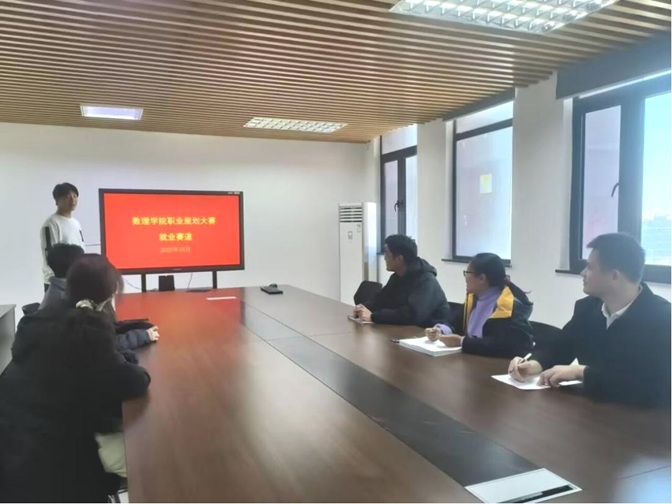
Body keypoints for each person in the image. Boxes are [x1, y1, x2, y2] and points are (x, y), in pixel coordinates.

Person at [0, 254, 151, 501]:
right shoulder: (85, 335)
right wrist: (127, 354)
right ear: (105, 298)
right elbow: (135, 381)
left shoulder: (40, 319)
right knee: (153, 456)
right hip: (55, 463)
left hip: (12, 452)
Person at [508, 233, 671, 408]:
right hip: (591, 411)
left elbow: (653, 385)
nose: (582, 273)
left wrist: (582, 372)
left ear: (614, 276)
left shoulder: (662, 318)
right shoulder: (586, 308)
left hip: (643, 418)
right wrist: (534, 364)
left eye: (590, 267)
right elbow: (561, 347)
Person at [40, 245, 160, 351]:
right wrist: (141, 336)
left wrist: (135, 326)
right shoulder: (66, 303)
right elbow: (104, 345)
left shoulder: (61, 293)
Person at [425, 253, 533, 358]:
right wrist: (440, 330)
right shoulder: (474, 298)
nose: (465, 277)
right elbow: (455, 322)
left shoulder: (508, 306)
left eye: (467, 272)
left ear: (482, 278)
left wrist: (462, 342)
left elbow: (505, 345)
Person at [353, 234, 451, 327]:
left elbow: (412, 315)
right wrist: (362, 308)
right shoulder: (397, 277)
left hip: (428, 332)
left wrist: (373, 316)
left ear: (399, 258)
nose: (384, 258)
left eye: (387, 253)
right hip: (404, 330)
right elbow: (380, 300)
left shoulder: (426, 281)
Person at [41, 182, 85, 292]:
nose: (72, 200)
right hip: (57, 283)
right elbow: (50, 256)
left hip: (75, 279)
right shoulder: (51, 223)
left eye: (75, 196)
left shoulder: (76, 223)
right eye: (67, 196)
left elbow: (81, 250)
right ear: (57, 201)